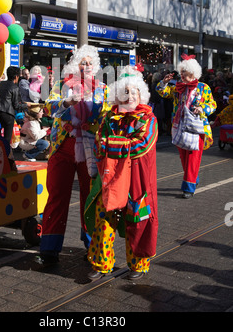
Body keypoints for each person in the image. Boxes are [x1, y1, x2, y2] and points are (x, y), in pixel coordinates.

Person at [38, 44, 110, 264]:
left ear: (95, 66)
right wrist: (66, 102)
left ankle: (91, 243)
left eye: (90, 63)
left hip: (90, 148)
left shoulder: (103, 89)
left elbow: (106, 116)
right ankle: (49, 247)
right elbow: (48, 107)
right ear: (75, 64)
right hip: (63, 147)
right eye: (82, 62)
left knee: (90, 198)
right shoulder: (62, 84)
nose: (86, 66)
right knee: (57, 195)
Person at [84, 67, 158, 281]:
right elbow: (100, 143)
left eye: (134, 91)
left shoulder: (148, 119)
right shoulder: (109, 118)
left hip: (136, 181)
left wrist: (112, 144)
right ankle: (101, 264)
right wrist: (112, 145)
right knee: (103, 221)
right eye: (125, 91)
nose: (130, 95)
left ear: (141, 94)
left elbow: (141, 146)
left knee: (136, 220)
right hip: (110, 180)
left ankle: (138, 264)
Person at [156, 54, 217, 198]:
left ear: (193, 73)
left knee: (193, 157)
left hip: (197, 128)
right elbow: (163, 93)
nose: (182, 74)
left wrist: (203, 108)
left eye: (185, 71)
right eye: (181, 71)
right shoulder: (179, 87)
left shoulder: (204, 88)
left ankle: (188, 188)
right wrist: (164, 83)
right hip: (180, 127)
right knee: (184, 158)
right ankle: (193, 179)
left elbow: (213, 104)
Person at [0, 66, 29, 145]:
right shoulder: (14, 87)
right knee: (7, 139)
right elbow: (17, 106)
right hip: (7, 115)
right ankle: (5, 155)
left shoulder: (0, 83)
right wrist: (27, 105)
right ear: (16, 77)